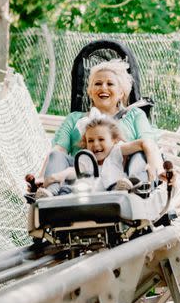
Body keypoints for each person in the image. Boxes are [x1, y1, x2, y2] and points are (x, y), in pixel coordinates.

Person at [28, 58, 164, 198]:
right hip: (80, 178)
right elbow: (57, 151)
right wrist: (41, 177)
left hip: (121, 176)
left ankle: (134, 187)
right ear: (90, 91)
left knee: (140, 154)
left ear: (121, 93)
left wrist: (158, 168)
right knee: (56, 156)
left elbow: (149, 144)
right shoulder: (75, 119)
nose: (103, 88)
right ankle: (49, 193)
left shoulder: (135, 115)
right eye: (97, 84)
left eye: (110, 84)